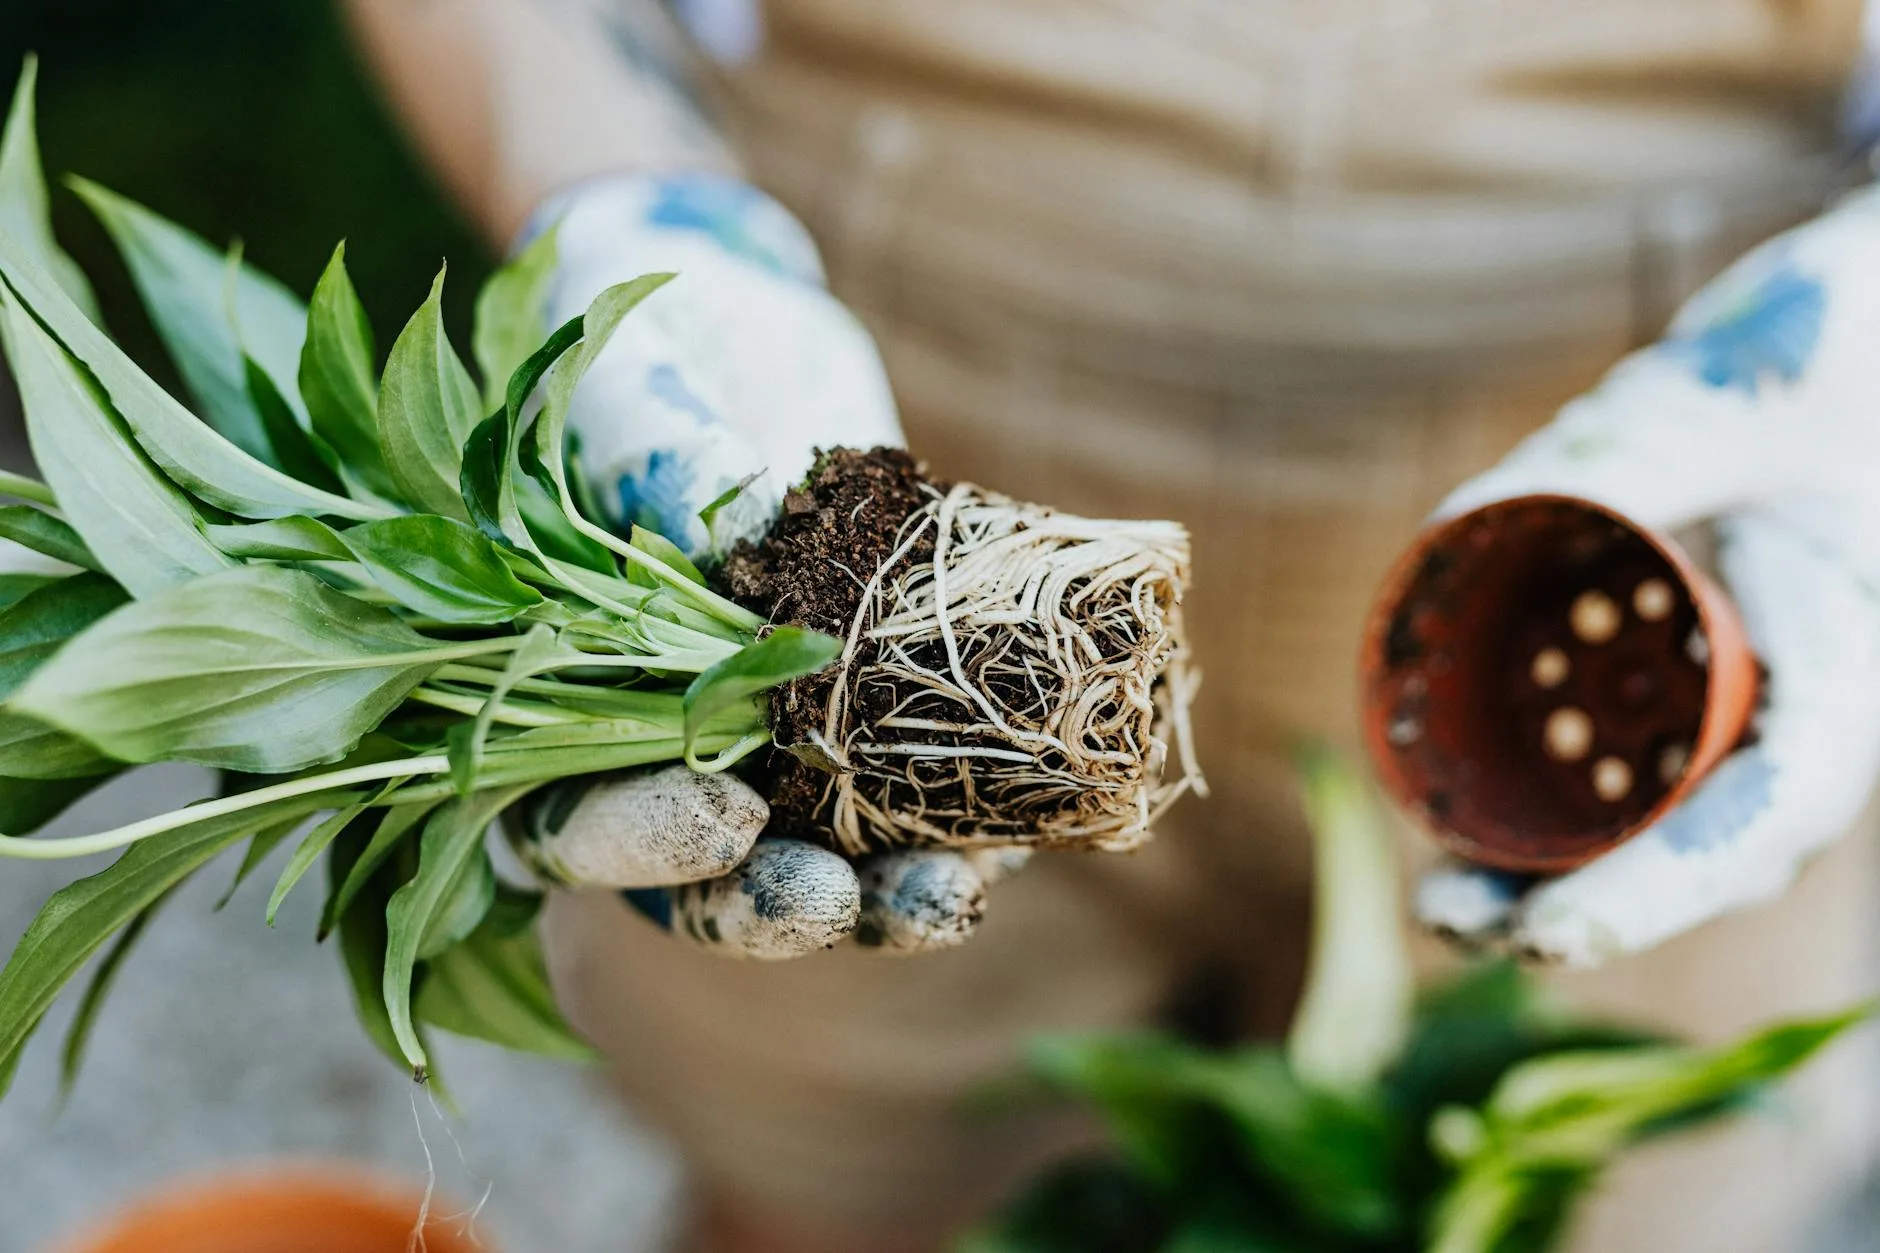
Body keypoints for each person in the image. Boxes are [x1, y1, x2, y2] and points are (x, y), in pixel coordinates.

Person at [343, 2, 1880, 1250]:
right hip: (878, 381)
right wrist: (615, 211)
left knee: (1578, 1198)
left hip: (1661, 508)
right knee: (839, 1188)